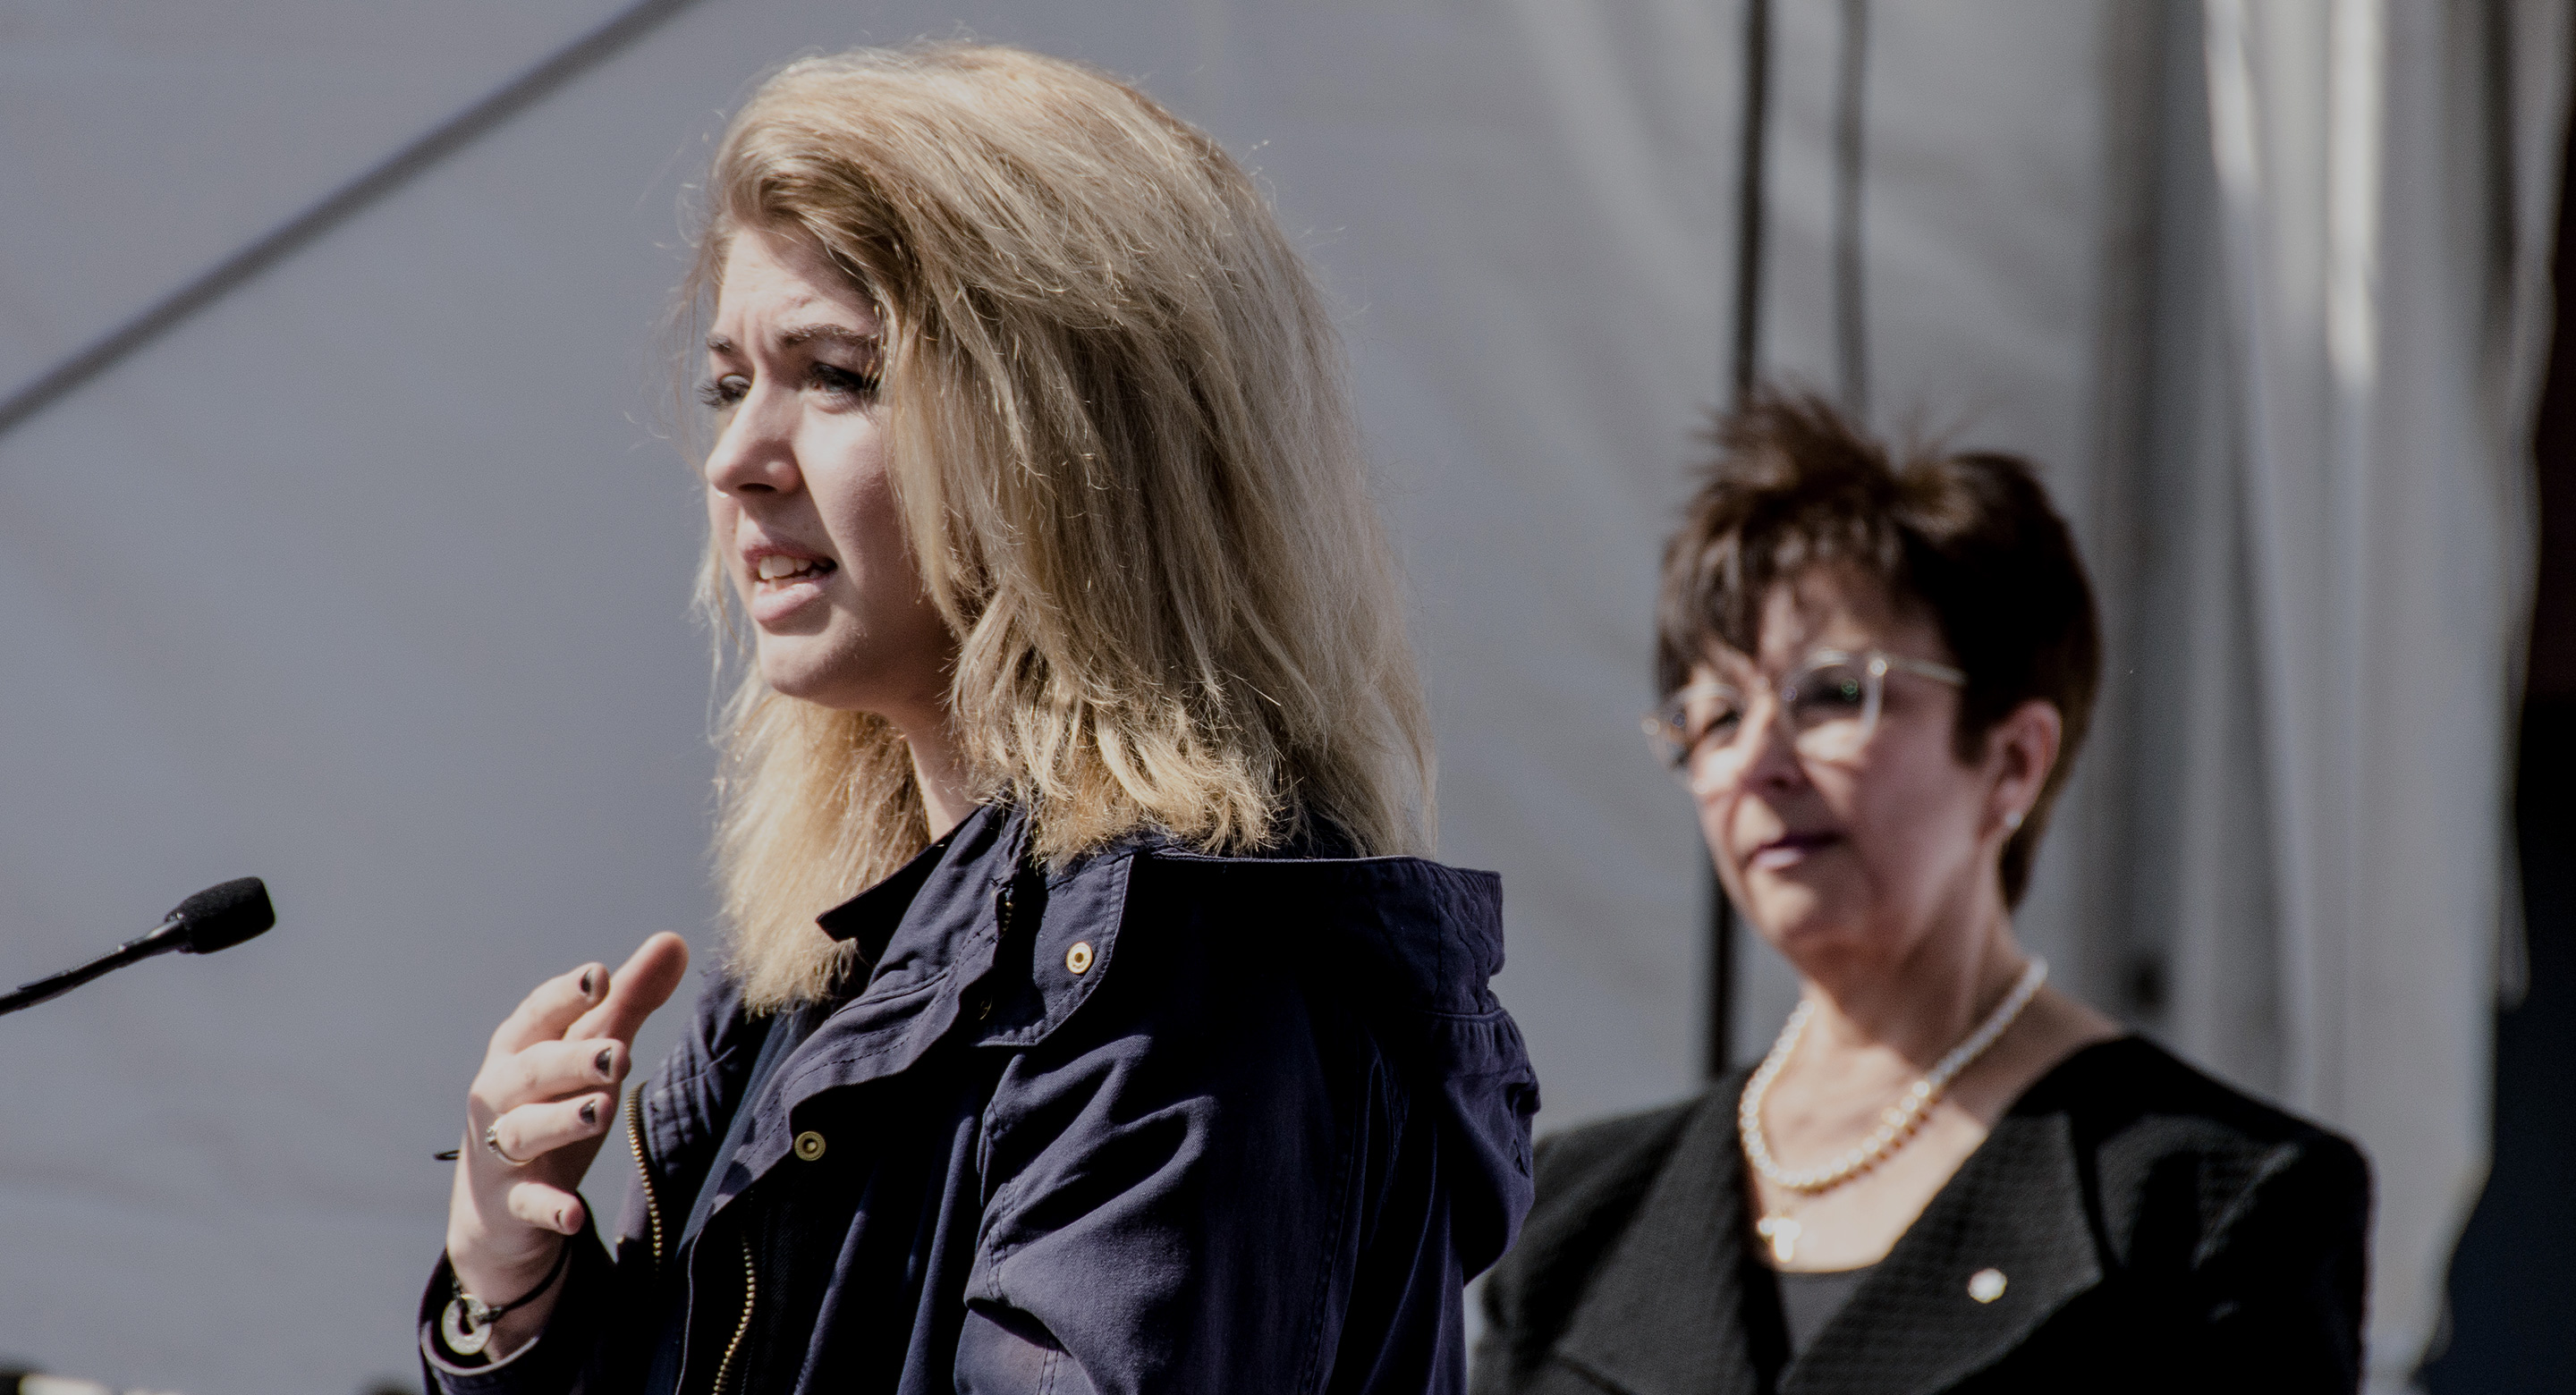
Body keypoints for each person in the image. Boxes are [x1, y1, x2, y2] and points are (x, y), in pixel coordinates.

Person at [420, 44, 1538, 1395]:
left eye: (835, 373)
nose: (736, 457)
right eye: (730, 383)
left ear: (1068, 434)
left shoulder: (1176, 981)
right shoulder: (823, 958)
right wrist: (511, 1286)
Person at [1473, 393, 2369, 1393]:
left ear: (2013, 761)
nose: (1758, 761)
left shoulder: (2205, 1201)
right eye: (1717, 715)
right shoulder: (1573, 1218)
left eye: (1833, 693)